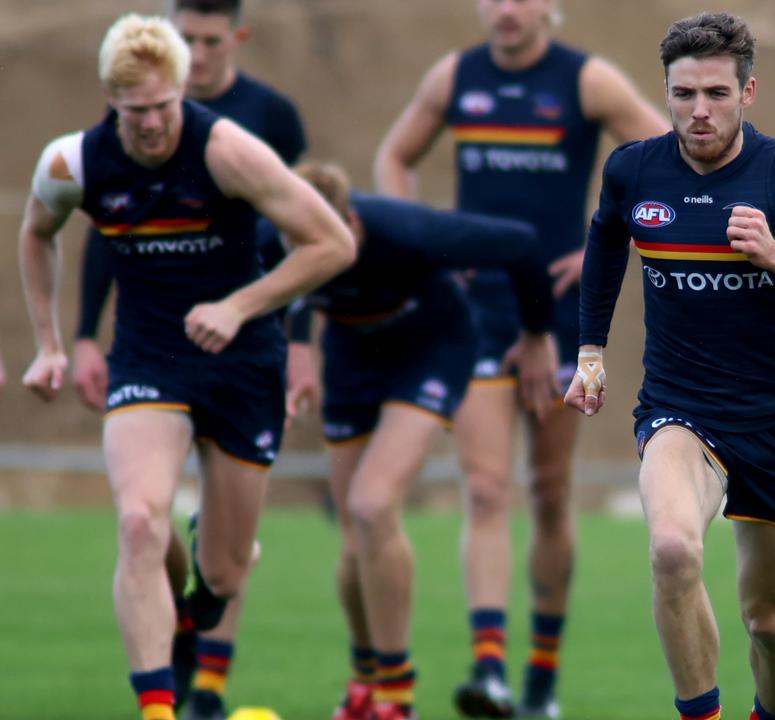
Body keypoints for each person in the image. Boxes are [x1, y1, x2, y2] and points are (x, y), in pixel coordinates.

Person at [17, 14, 353, 720]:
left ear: (181, 92)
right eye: (135, 111)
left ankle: (207, 575)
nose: (150, 125)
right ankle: (159, 709)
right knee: (139, 522)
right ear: (112, 102)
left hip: (240, 362)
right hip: (148, 357)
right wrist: (50, 342)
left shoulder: (226, 148)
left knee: (222, 579)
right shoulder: (73, 162)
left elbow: (330, 243)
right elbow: (37, 233)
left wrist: (240, 306)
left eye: (163, 108)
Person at [565, 12, 775, 720]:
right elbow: (603, 246)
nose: (699, 111)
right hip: (680, 410)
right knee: (674, 551)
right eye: (684, 94)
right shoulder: (634, 168)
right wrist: (590, 351)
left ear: (749, 91)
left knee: (769, 622)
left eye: (716, 93)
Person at [373, 0, 667, 715]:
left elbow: (666, 160)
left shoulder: (587, 81)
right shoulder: (455, 76)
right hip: (479, 312)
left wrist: (601, 246)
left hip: (568, 316)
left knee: (551, 490)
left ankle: (541, 677)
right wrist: (424, 243)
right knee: (483, 487)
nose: (505, 9)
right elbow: (394, 157)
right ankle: (491, 669)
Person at [258, 162, 557, 720]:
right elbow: (281, 293)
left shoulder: (408, 231)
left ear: (349, 223)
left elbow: (521, 244)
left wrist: (537, 335)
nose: (303, 253)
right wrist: (297, 347)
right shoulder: (269, 236)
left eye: (317, 241)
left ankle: (397, 697)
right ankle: (364, 681)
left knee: (372, 505)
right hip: (352, 356)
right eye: (292, 241)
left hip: (432, 347)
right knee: (354, 537)